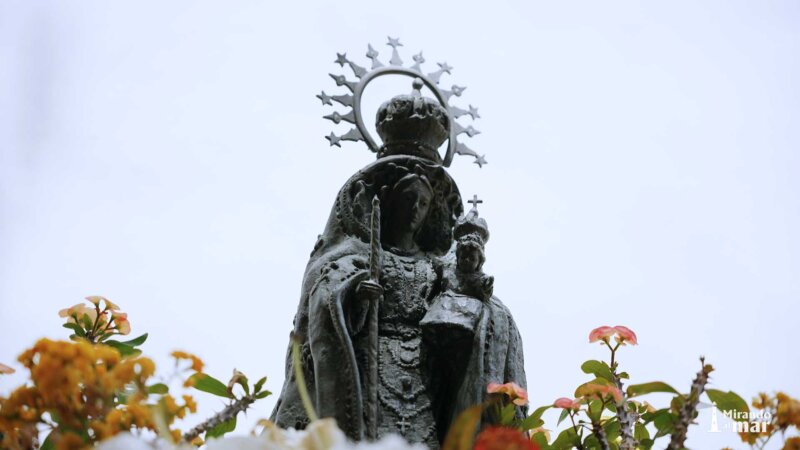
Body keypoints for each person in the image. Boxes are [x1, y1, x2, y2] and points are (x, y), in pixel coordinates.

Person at [270, 94, 527, 448]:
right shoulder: (355, 254)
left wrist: (476, 289)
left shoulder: (435, 265)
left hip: (423, 373)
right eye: (408, 200)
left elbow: (463, 294)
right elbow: (324, 291)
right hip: (371, 365)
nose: (415, 209)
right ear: (389, 202)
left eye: (422, 203)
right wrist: (355, 291)